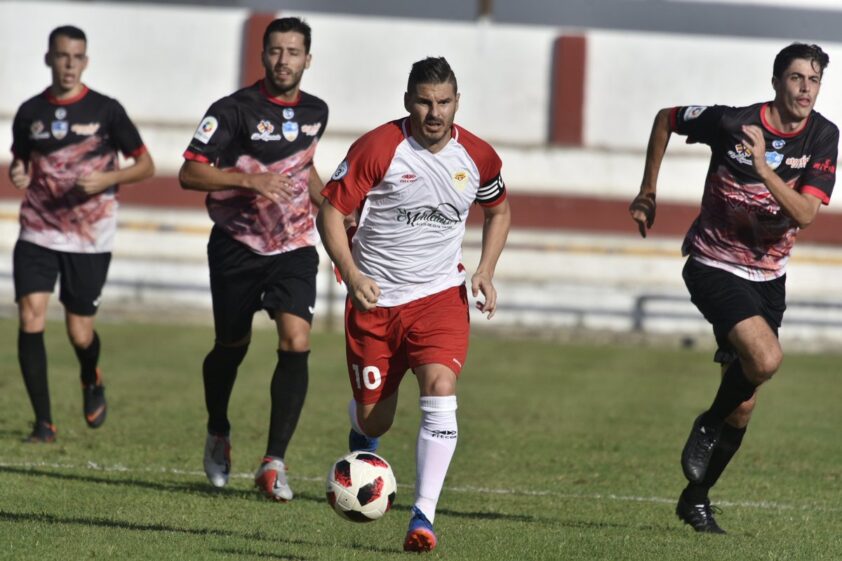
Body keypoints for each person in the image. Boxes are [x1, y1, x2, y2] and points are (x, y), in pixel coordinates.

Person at [629, 43, 837, 534]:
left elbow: (805, 214)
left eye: (814, 80)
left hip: (770, 278)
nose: (805, 88)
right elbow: (667, 118)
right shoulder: (731, 123)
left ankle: (695, 498)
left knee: (743, 405)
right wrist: (648, 190)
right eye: (796, 78)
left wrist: (765, 168)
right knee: (765, 360)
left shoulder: (825, 135)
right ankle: (706, 422)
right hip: (712, 264)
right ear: (775, 81)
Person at [317, 56, 511, 552]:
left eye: (444, 102)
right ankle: (364, 444)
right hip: (374, 300)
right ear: (408, 102)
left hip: (439, 298)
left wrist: (485, 269)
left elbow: (499, 209)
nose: (434, 112)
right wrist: (354, 272)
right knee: (376, 418)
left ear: (456, 102)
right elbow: (332, 212)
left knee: (441, 388)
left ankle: (422, 517)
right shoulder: (380, 148)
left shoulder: (479, 157)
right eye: (424, 101)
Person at [178, 17, 328, 502]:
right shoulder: (232, 110)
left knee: (296, 339)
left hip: (294, 245)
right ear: (263, 56)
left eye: (293, 52)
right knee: (231, 346)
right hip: (236, 246)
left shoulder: (316, 112)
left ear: (308, 59)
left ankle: (274, 462)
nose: (284, 60)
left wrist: (334, 207)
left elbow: (305, 170)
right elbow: (189, 174)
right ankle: (218, 429)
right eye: (276, 51)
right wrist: (249, 181)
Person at [9, 25, 155, 443]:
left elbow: (145, 165)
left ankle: (91, 376)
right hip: (38, 230)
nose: (69, 64)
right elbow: (20, 162)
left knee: (79, 332)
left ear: (85, 62)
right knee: (30, 315)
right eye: (61, 56)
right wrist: (18, 172)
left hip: (90, 237)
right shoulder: (29, 112)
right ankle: (44, 423)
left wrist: (107, 177)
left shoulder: (106, 110)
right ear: (48, 59)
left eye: (76, 57)